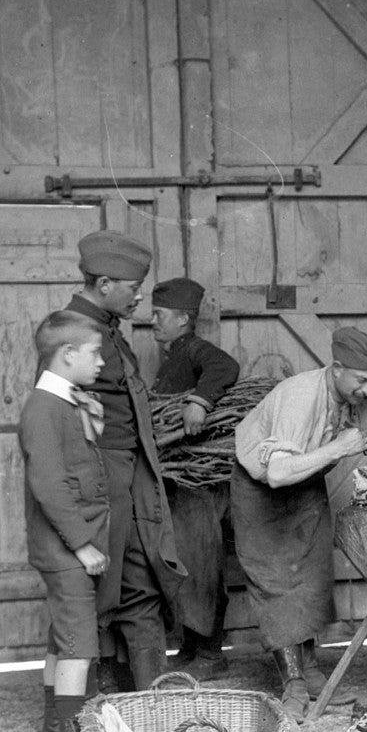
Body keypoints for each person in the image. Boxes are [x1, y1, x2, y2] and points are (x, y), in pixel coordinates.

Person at [231, 326, 367, 718]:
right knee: (277, 582)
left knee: (313, 577)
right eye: (362, 380)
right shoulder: (299, 398)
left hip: (305, 484)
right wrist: (340, 447)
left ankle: (311, 673)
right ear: (336, 368)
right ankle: (293, 683)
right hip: (262, 489)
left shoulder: (362, 398)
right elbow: (276, 473)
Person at [64, 232, 183, 692]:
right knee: (92, 591)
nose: (140, 296)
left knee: (141, 578)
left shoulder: (108, 330)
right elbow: (60, 420)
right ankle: (84, 719)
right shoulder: (72, 331)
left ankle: (152, 698)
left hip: (129, 475)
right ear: (106, 282)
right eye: (134, 286)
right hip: (97, 479)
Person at [18, 312, 109, 732]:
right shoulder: (44, 408)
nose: (100, 361)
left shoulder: (63, 402)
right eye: (94, 352)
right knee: (79, 648)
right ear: (67, 354)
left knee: (61, 641)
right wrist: (83, 545)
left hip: (66, 546)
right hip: (67, 549)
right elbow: (50, 486)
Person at [149, 277, 240, 675]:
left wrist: (200, 402)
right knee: (184, 562)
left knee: (201, 563)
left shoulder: (194, 350)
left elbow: (226, 366)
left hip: (199, 488)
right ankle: (191, 649)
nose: (153, 321)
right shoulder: (175, 355)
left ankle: (210, 654)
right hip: (182, 483)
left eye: (160, 315)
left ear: (184, 319)